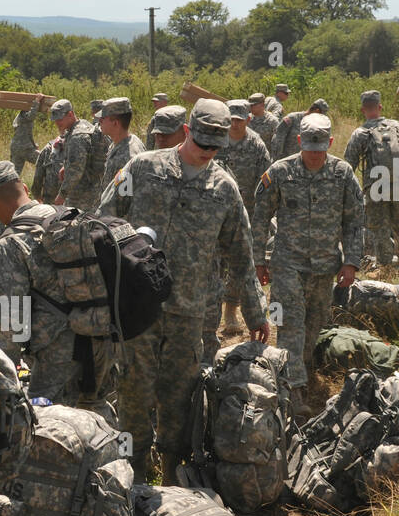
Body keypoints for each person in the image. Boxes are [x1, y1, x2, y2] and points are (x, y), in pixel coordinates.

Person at [99, 99, 270, 481]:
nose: (207, 152)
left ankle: (173, 471)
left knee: (179, 398)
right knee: (133, 394)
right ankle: (135, 474)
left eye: (215, 147)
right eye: (201, 143)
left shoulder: (224, 189)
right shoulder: (144, 167)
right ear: (187, 131)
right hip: (136, 309)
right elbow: (105, 221)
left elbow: (241, 254)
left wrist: (256, 312)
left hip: (188, 312)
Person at [0, 160, 117, 419]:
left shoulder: (11, 244)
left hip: (56, 360)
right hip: (102, 341)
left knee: (53, 431)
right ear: (26, 189)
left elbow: (5, 330)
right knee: (98, 416)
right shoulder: (72, 215)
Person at [252, 113, 363, 417]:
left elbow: (354, 221)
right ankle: (292, 389)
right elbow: (260, 216)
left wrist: (351, 262)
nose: (315, 153)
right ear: (299, 141)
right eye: (309, 147)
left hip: (325, 265)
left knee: (314, 323)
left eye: (320, 147)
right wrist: (258, 259)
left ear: (329, 142)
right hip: (288, 262)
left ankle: (301, 367)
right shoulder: (280, 172)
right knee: (289, 322)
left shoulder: (342, 173)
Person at [207, 99, 273, 352]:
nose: (235, 123)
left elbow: (265, 180)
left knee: (239, 263)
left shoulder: (256, 144)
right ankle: (211, 314)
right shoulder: (217, 141)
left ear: (248, 119)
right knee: (216, 263)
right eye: (231, 118)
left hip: (246, 211)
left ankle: (232, 310)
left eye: (239, 118)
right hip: (216, 211)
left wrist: (263, 217)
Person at [343, 90, 399, 266]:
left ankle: (385, 267)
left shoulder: (361, 132)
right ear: (380, 107)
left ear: (363, 110)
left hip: (376, 186)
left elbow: (348, 165)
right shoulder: (398, 126)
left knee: (380, 229)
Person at [51, 99, 101, 211]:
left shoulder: (77, 136)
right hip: (91, 189)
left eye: (60, 119)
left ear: (70, 114)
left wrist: (61, 196)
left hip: (82, 194)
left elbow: (75, 171)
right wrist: (66, 166)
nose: (57, 123)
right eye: (55, 120)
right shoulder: (83, 124)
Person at [99, 97, 146, 187]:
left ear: (115, 123)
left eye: (102, 119)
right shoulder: (118, 143)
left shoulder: (127, 157)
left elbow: (125, 196)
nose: (99, 122)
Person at [9, 96, 43, 175]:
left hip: (16, 147)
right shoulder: (24, 114)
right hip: (24, 148)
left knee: (14, 174)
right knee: (44, 160)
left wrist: (34, 145)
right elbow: (31, 116)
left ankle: (8, 186)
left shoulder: (20, 116)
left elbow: (26, 134)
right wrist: (37, 102)